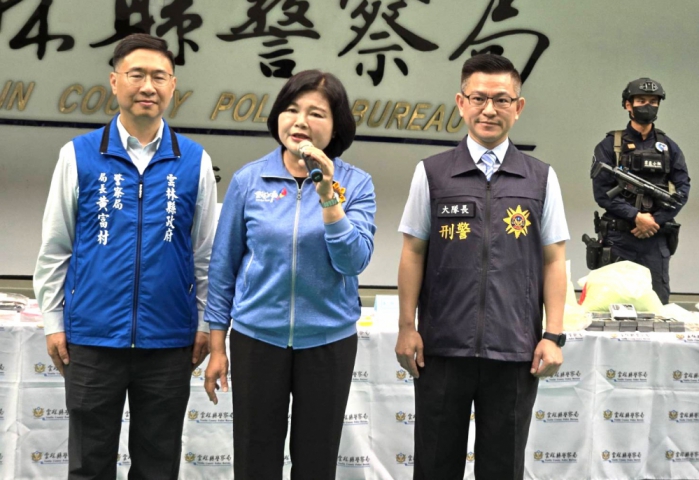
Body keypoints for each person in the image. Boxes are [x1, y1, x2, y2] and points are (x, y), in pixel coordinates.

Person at [33, 33, 217, 479]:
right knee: (89, 463)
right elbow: (56, 247)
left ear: (173, 86)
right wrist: (54, 321)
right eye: (136, 75)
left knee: (158, 464)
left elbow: (206, 255)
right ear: (115, 81)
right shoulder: (78, 155)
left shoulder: (194, 161)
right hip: (93, 338)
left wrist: (204, 323)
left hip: (169, 340)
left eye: (159, 76)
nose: (148, 86)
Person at [395, 54, 569, 480]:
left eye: (501, 99)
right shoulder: (432, 173)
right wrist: (406, 327)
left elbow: (554, 259)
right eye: (478, 98)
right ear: (461, 103)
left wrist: (552, 335)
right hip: (441, 348)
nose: (489, 109)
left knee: (502, 468)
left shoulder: (540, 178)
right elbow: (413, 251)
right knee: (435, 466)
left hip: (514, 350)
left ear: (518, 107)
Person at [203, 70, 376, 480]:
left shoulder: (356, 184)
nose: (300, 121)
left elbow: (353, 261)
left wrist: (328, 196)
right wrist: (217, 344)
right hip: (257, 338)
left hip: (329, 341)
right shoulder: (249, 180)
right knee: (254, 458)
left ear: (336, 127)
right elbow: (223, 264)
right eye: (291, 109)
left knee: (316, 461)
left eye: (316, 113)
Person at [591, 78, 690, 304]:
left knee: (656, 305)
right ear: (628, 105)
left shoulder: (669, 147)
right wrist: (635, 216)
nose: (648, 106)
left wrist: (654, 220)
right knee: (613, 304)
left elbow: (683, 189)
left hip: (655, 238)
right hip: (619, 239)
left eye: (653, 101)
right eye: (641, 100)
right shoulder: (610, 145)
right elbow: (602, 193)